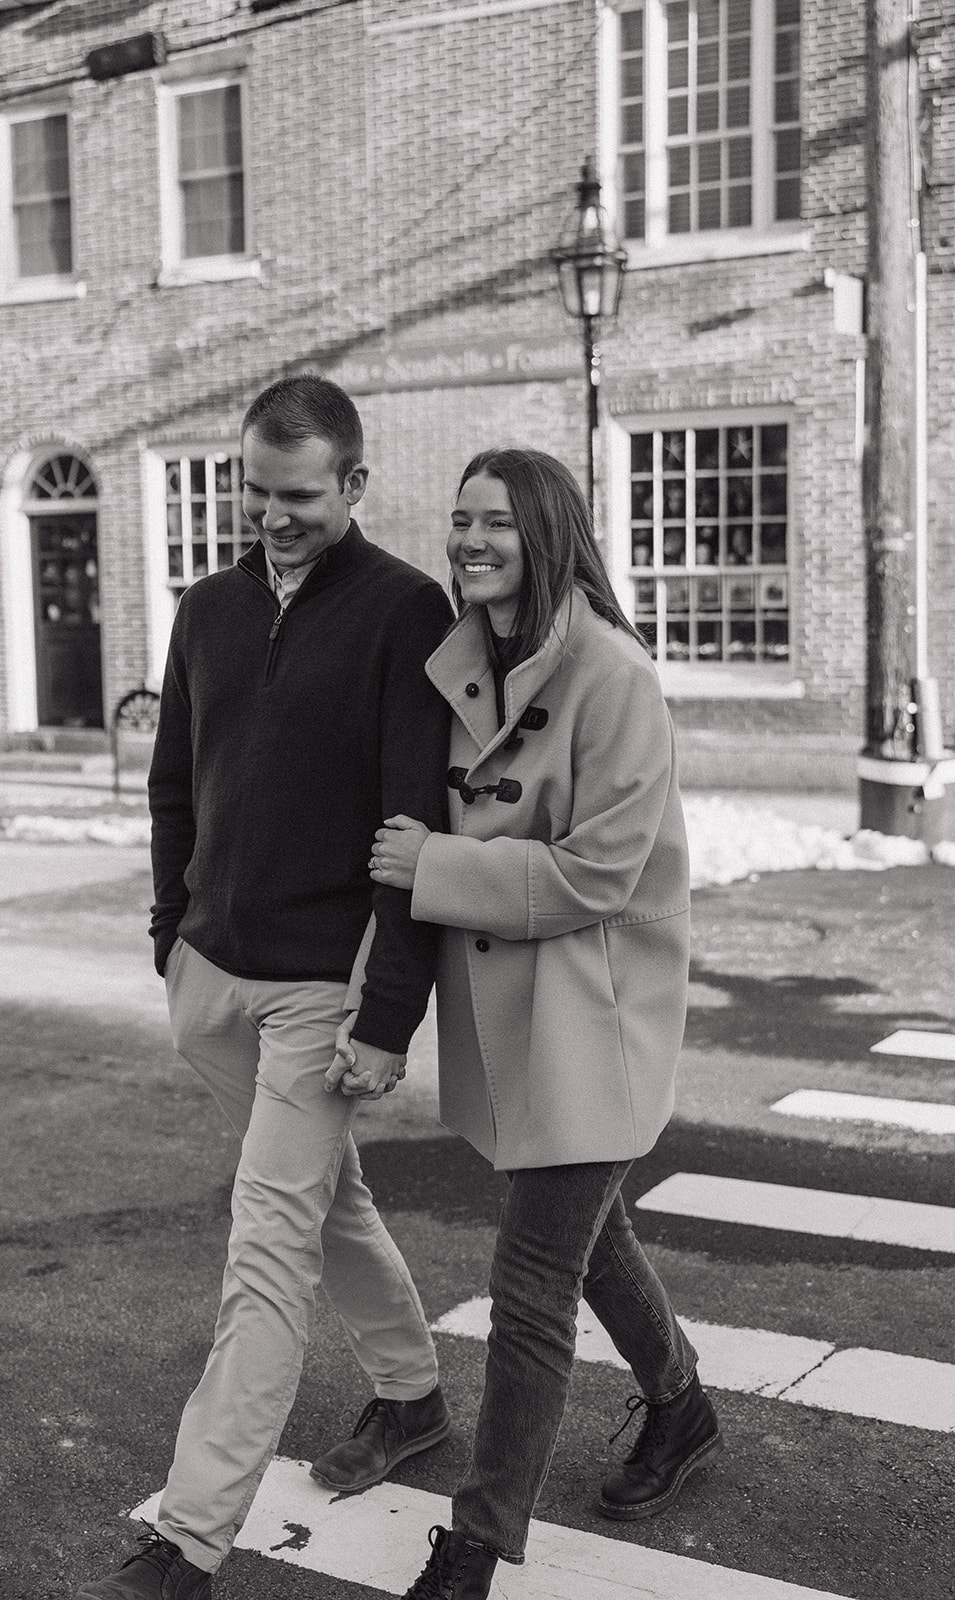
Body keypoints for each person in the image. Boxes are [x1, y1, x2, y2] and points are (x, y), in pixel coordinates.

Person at [77, 376, 455, 1600]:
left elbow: (416, 819)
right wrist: (167, 932)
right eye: (256, 490)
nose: (274, 516)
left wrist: (386, 1011)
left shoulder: (408, 611)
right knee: (314, 1193)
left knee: (267, 1245)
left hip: (317, 989)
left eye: (300, 496)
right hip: (210, 974)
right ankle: (412, 1393)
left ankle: (189, 1536)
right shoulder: (208, 607)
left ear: (353, 483)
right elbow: (175, 781)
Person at [332, 447, 722, 1599]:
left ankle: (474, 1544)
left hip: (593, 1020)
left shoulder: (613, 675)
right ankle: (682, 1405)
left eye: (495, 520)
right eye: (458, 519)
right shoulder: (460, 662)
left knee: (532, 1283)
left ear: (547, 531)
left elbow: (601, 872)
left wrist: (437, 862)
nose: (469, 539)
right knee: (584, 1237)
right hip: (516, 1019)